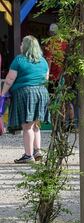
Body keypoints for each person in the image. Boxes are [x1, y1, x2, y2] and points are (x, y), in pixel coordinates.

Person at [3, 35, 51, 163]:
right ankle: (37, 151)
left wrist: (2, 93)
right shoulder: (43, 61)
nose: (20, 46)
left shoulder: (19, 60)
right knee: (35, 124)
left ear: (26, 46)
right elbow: (46, 78)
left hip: (25, 93)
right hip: (41, 93)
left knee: (27, 126)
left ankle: (28, 155)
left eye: (22, 43)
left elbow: (9, 79)